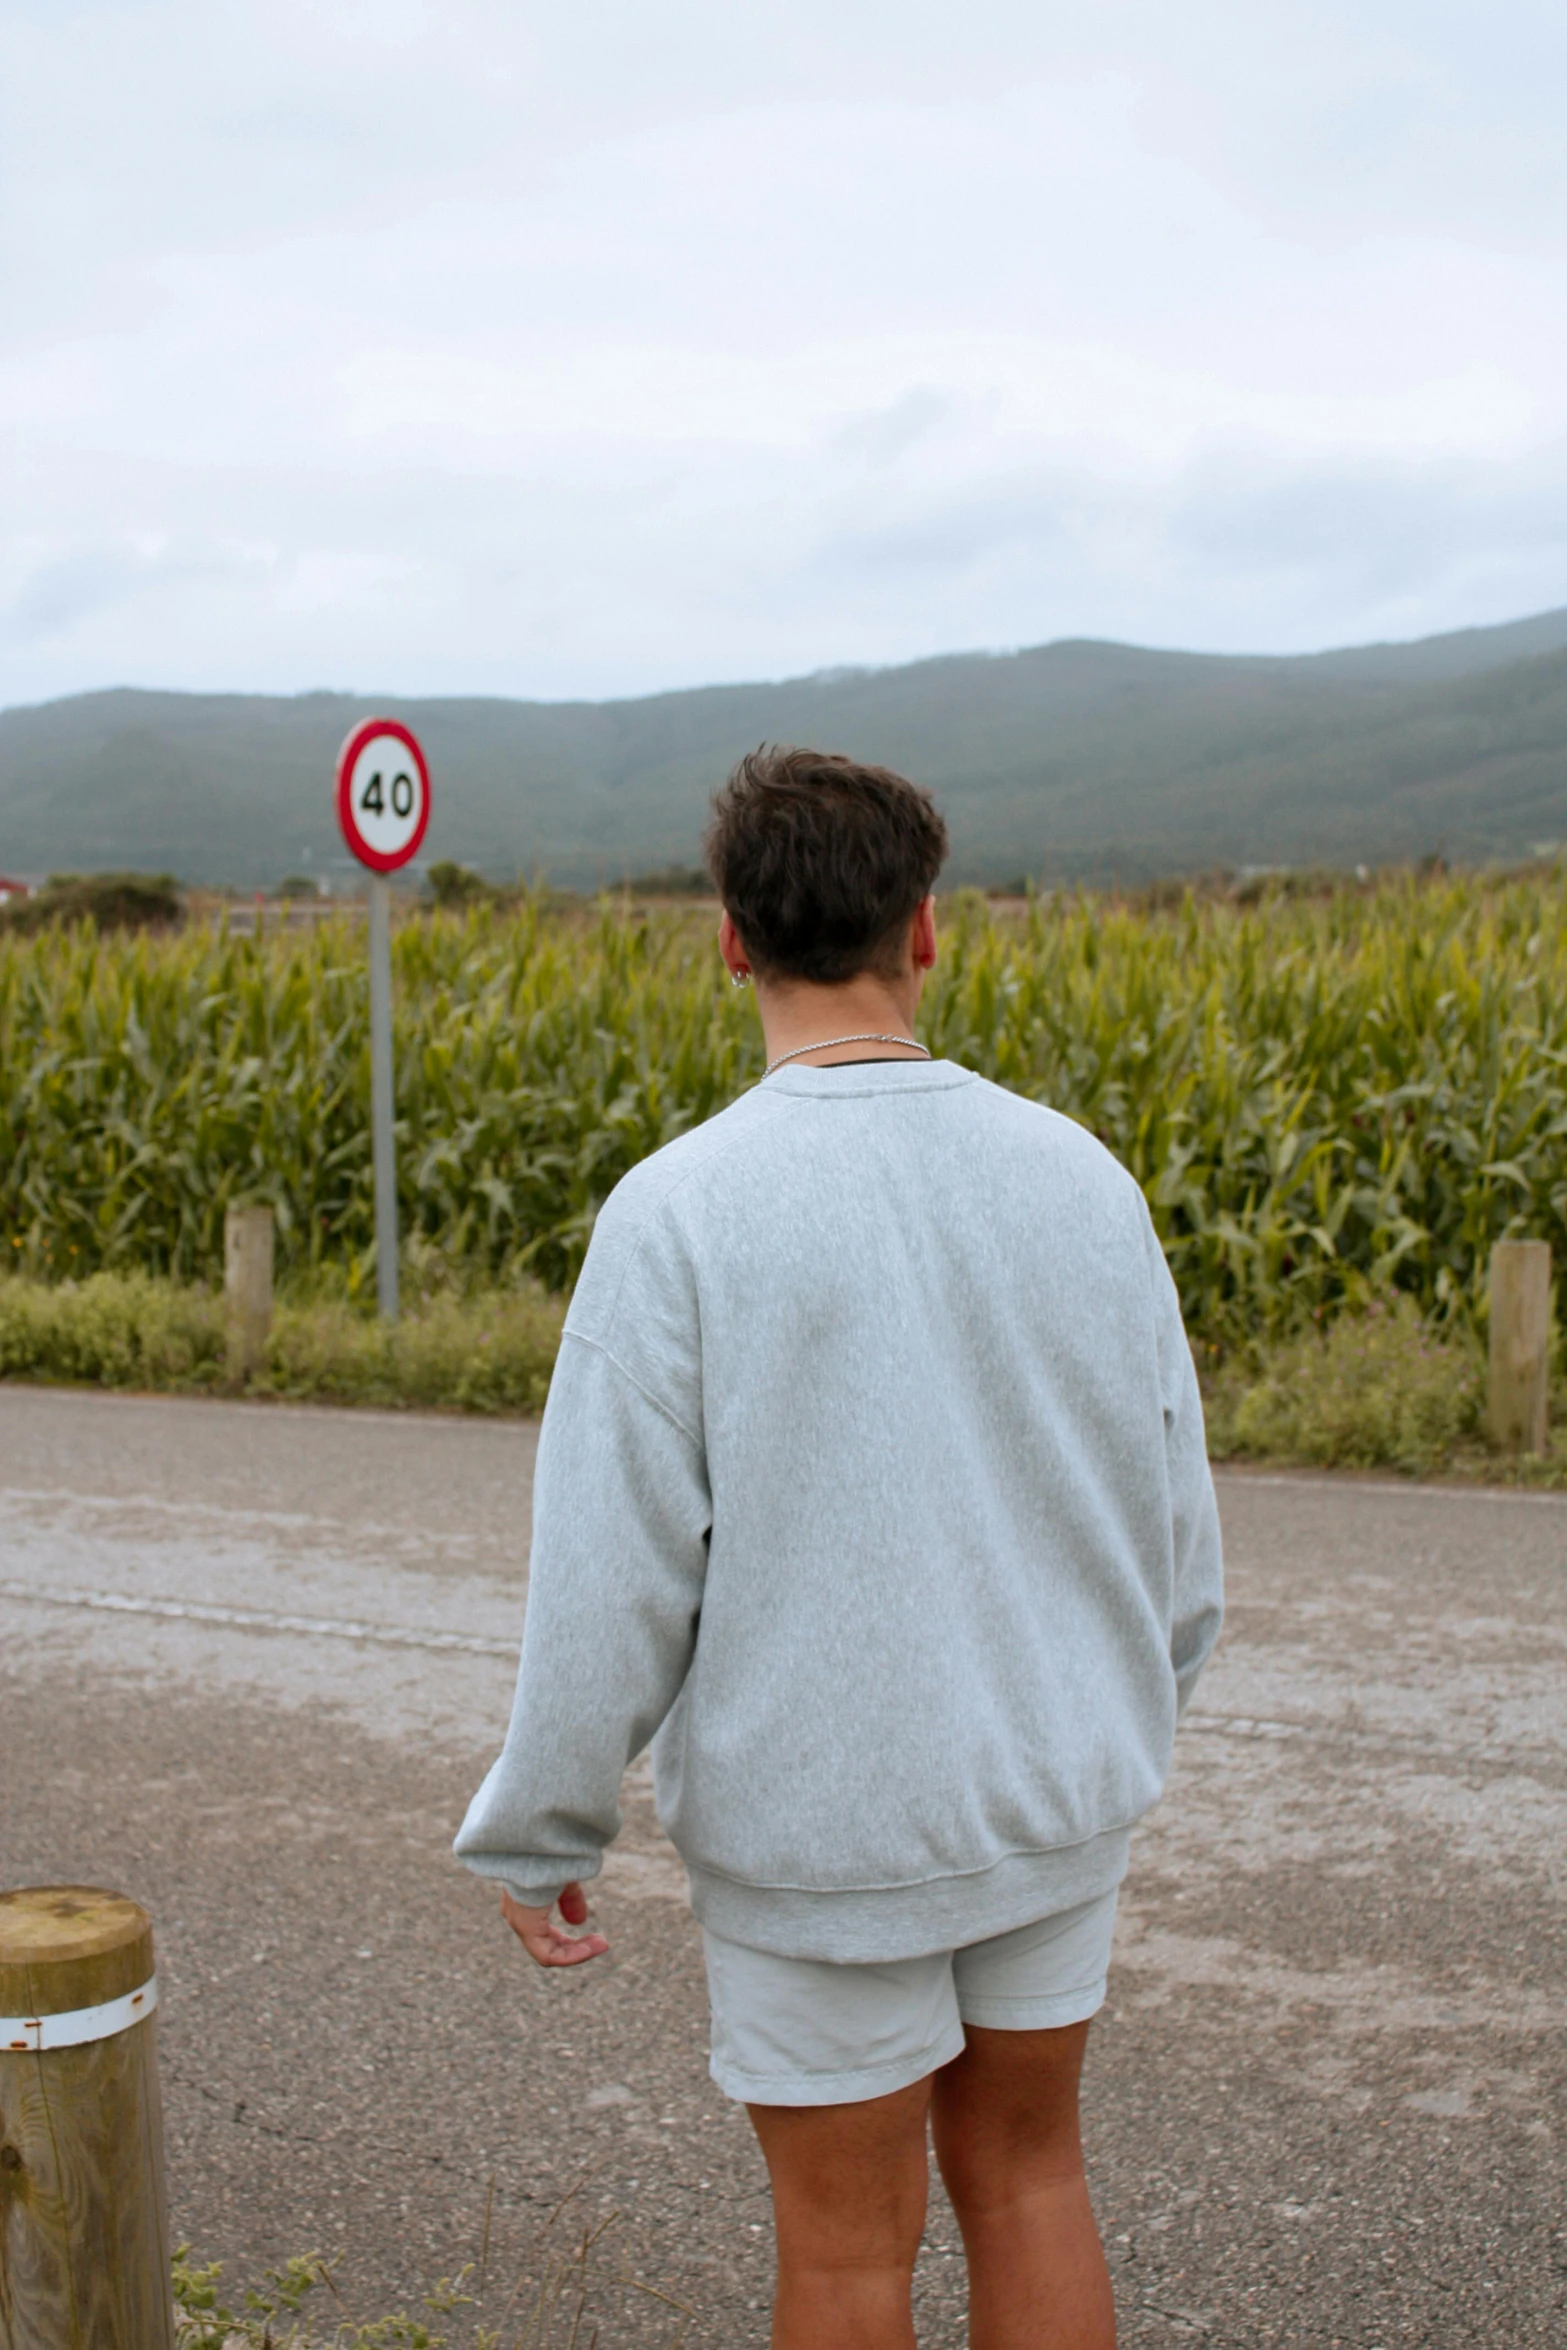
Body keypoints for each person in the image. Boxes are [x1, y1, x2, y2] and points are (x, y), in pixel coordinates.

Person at [456, 745, 1223, 2350]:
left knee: (847, 2251)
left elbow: (612, 1577)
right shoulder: (1084, 1182)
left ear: (729, 938)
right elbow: (1178, 1550)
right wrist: (1095, 1712)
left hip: (819, 1839)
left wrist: (544, 1824)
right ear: (924, 929)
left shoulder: (677, 1217)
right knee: (1028, 2177)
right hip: (1049, 1797)